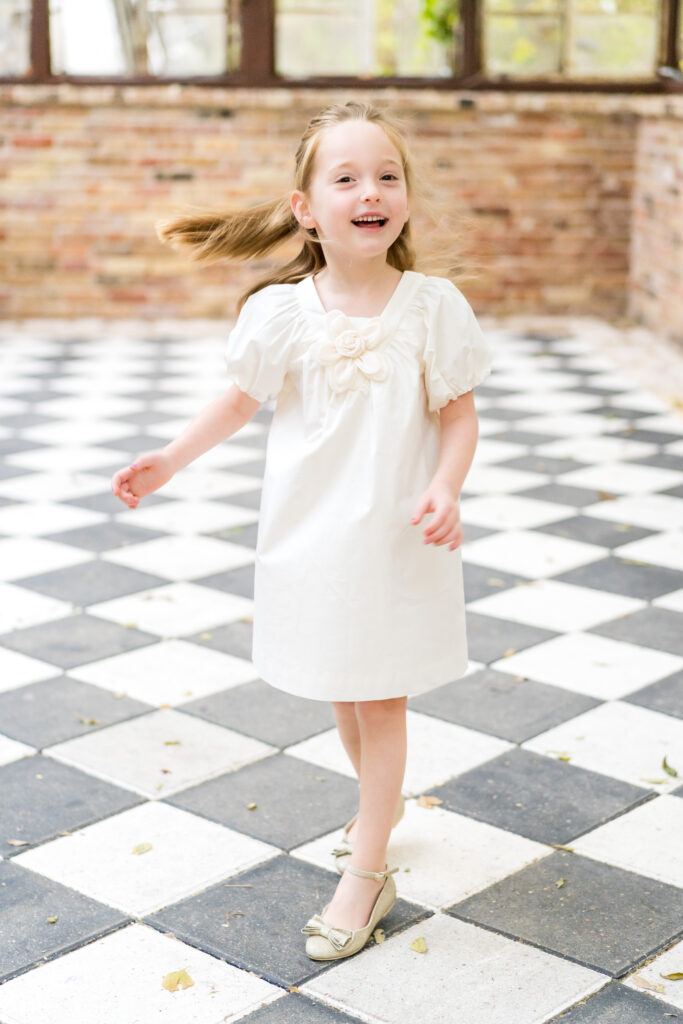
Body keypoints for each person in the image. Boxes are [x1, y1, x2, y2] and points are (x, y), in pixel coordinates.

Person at [111, 100, 492, 962]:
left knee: (380, 693)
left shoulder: (432, 306)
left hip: (395, 533)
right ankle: (375, 816)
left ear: (404, 199)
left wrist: (443, 484)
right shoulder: (282, 311)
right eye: (346, 177)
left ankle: (366, 870)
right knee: (343, 687)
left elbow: (460, 416)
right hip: (312, 534)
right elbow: (238, 402)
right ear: (304, 208)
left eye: (386, 176)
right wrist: (170, 459)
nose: (370, 191)